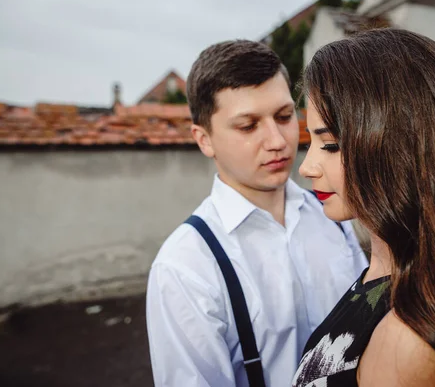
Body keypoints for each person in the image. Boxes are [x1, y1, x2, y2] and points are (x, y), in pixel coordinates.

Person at [292, 29, 435, 387]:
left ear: (396, 149)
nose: (306, 167)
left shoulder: (405, 343)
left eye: (330, 144)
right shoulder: (387, 272)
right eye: (311, 142)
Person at [146, 40, 368, 387]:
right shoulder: (184, 267)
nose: (277, 140)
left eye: (283, 117)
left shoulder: (334, 217)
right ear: (204, 140)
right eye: (248, 125)